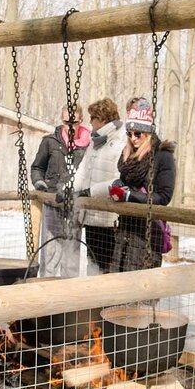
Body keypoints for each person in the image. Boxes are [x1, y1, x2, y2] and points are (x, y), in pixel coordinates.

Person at [109, 99, 175, 272]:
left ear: (148, 133)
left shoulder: (163, 156)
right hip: (125, 230)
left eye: (137, 134)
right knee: (119, 281)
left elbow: (164, 196)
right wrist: (118, 186)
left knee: (141, 285)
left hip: (148, 233)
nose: (133, 138)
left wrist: (132, 196)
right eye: (129, 133)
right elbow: (124, 181)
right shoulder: (129, 155)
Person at [31, 105, 91, 277]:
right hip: (53, 201)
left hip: (75, 204)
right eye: (66, 122)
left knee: (71, 253)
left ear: (81, 120)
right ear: (61, 119)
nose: (70, 126)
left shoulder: (88, 145)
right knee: (50, 251)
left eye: (74, 122)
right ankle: (46, 291)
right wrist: (39, 181)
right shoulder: (50, 141)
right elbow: (37, 167)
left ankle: (69, 294)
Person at [72, 98, 125, 275]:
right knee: (92, 263)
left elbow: (119, 179)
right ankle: (91, 299)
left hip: (109, 217)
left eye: (93, 117)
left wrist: (90, 192)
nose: (90, 122)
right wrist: (70, 189)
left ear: (102, 119)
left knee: (106, 266)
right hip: (92, 215)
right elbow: (82, 170)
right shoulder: (95, 142)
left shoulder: (120, 141)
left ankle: (104, 302)